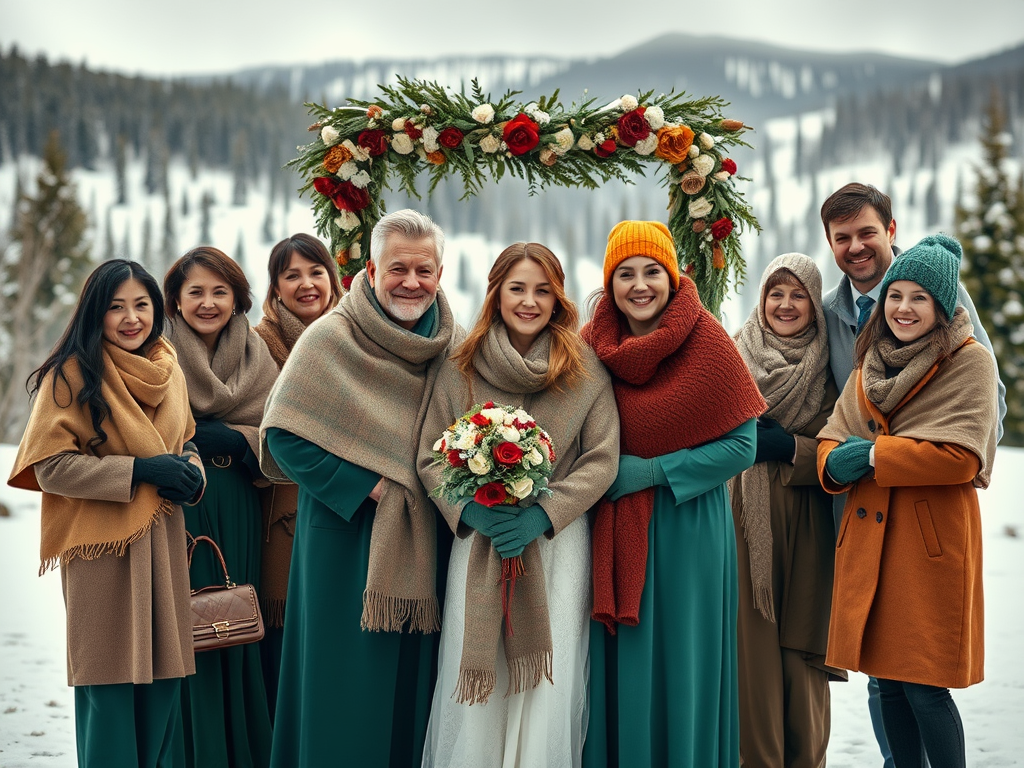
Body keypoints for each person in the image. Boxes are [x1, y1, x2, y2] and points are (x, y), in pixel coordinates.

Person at [259, 209, 459, 768]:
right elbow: (284, 439)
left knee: (411, 697)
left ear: (441, 274)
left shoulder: (452, 345)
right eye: (398, 268)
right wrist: (365, 486)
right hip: (342, 542)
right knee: (339, 693)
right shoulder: (330, 338)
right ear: (370, 270)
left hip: (424, 541)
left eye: (424, 270)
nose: (411, 282)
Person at [819, 182, 1006, 766]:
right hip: (870, 530)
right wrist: (834, 462)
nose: (902, 307)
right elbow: (833, 433)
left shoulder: (962, 348)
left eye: (917, 298)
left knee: (924, 681)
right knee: (883, 680)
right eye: (842, 237)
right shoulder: (857, 345)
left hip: (927, 536)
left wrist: (877, 456)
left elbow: (970, 443)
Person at [417, 242, 619, 768]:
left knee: (545, 681)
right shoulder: (460, 364)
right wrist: (471, 511)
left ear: (558, 299)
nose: (529, 301)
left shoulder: (584, 369)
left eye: (542, 290)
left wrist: (542, 516)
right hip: (480, 546)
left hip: (558, 544)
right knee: (478, 681)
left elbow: (601, 461)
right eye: (517, 288)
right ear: (496, 294)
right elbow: (429, 457)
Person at [582, 221, 765, 768]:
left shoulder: (706, 340)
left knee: (683, 660)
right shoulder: (594, 345)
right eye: (625, 274)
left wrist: (654, 472)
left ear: (672, 275)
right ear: (610, 282)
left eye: (652, 272)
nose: (640, 286)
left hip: (687, 525)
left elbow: (742, 447)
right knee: (620, 665)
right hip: (611, 526)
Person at [8, 259, 204, 768]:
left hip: (161, 547)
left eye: (141, 305)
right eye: (116, 307)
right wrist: (139, 470)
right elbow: (49, 466)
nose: (131, 317)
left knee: (163, 693)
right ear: (95, 312)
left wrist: (191, 472)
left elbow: (185, 443)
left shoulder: (169, 369)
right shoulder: (71, 374)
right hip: (103, 556)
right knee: (110, 696)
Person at [164, 247, 279, 768]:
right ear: (176, 301)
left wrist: (231, 437)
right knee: (185, 625)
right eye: (195, 292)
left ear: (238, 298)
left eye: (219, 291)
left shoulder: (258, 356)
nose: (207, 303)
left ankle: (243, 751)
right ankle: (193, 749)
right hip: (178, 503)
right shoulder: (158, 352)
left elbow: (281, 433)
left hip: (238, 500)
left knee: (234, 620)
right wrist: (198, 440)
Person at [730, 253, 843, 768]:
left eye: (799, 294)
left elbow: (846, 446)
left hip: (807, 520)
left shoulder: (832, 364)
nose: (785, 304)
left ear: (815, 305)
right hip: (742, 522)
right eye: (776, 292)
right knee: (750, 655)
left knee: (802, 655)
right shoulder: (733, 353)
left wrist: (793, 450)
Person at [252, 233, 342, 718]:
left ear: (333, 278)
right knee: (282, 636)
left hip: (348, 504)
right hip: (280, 510)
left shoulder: (360, 334)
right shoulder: (261, 343)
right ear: (275, 288)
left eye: (315, 272)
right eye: (292, 275)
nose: (306, 284)